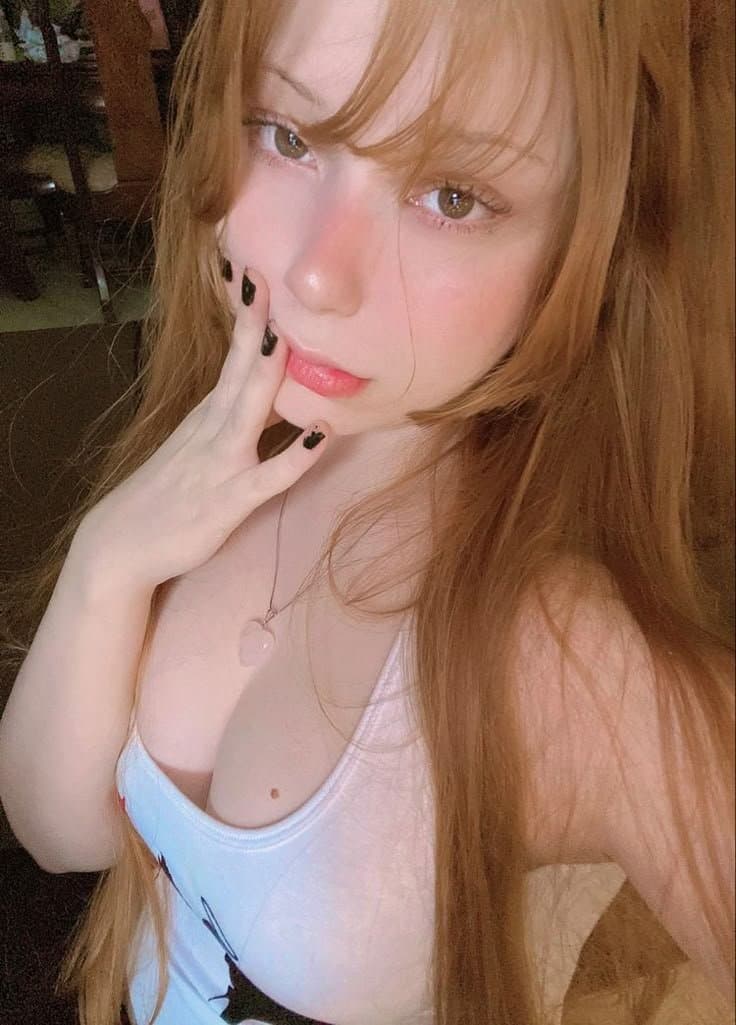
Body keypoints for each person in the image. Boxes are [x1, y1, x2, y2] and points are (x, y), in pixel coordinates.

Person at [0, 1, 733, 1023]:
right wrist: (107, 563)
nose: (315, 271)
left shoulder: (574, 662)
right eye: (288, 135)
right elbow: (65, 835)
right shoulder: (218, 453)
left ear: (594, 247)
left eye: (452, 196)